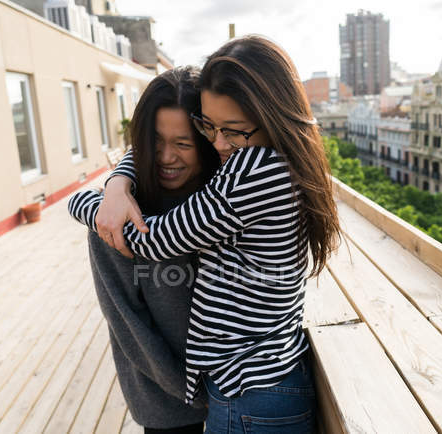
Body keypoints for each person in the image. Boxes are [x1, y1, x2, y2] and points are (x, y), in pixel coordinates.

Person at [79, 35, 342, 433]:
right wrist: (119, 181)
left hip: (244, 389)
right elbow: (128, 323)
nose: (219, 142)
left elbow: (152, 238)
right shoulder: (275, 162)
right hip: (213, 393)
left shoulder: (245, 172)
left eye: (231, 131)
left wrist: (88, 204)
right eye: (210, 127)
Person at [68, 66, 220, 434]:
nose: (166, 157)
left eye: (183, 143)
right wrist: (195, 395)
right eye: (155, 142)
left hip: (233, 392)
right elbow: (127, 320)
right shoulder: (115, 215)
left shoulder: (225, 199)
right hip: (164, 401)